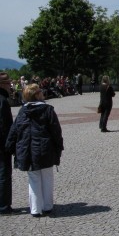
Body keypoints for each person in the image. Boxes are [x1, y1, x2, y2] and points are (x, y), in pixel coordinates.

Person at [6, 84, 63, 217]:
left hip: (28, 150)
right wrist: (59, 146)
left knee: (34, 179)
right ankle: (47, 206)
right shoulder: (48, 110)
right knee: (47, 176)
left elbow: (14, 130)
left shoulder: (22, 111)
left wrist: (10, 146)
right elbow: (55, 130)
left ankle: (35, 209)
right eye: (40, 91)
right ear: (37, 95)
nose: (42, 93)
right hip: (45, 148)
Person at [0, 73, 14, 215]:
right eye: (7, 83)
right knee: (4, 173)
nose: (10, 86)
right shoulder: (3, 101)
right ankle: (3, 205)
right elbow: (5, 126)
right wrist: (10, 143)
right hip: (2, 143)